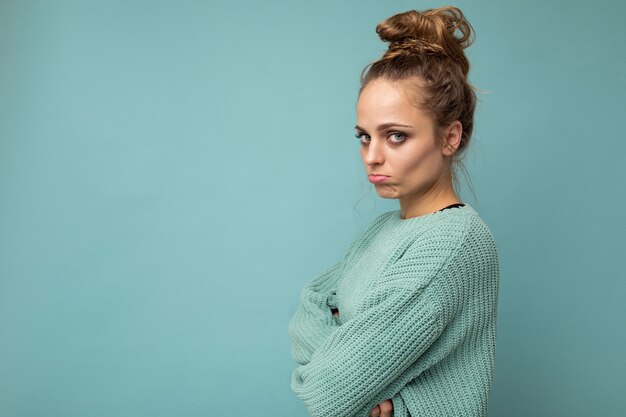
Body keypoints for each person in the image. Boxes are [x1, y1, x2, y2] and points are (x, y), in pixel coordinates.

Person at [287, 6, 499, 417]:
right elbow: (311, 304)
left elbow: (329, 393)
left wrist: (344, 367)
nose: (372, 156)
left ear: (450, 137)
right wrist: (353, 375)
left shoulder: (454, 244)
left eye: (395, 136)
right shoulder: (385, 229)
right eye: (364, 137)